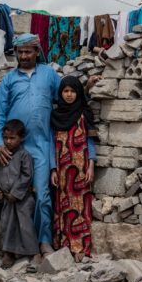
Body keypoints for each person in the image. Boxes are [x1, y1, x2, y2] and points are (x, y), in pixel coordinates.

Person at [0, 33, 100, 257]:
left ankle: (43, 242)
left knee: (42, 196)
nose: (23, 56)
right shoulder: (9, 80)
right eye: (20, 52)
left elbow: (66, 98)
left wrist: (87, 89)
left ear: (36, 52)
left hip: (42, 146)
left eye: (28, 51)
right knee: (13, 196)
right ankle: (11, 247)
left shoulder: (49, 75)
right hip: (14, 150)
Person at [50, 76, 97, 262]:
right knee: (63, 206)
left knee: (81, 207)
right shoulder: (55, 116)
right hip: (61, 170)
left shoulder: (84, 114)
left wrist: (91, 164)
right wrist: (53, 168)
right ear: (60, 93)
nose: (69, 95)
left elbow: (90, 141)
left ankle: (80, 247)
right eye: (65, 91)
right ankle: (64, 245)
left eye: (73, 91)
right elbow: (51, 144)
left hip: (81, 167)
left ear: (78, 93)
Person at [0, 119, 39, 266]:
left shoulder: (24, 155)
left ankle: (34, 253)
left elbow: (27, 175)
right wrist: (1, 191)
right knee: (7, 224)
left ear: (21, 138)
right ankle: (8, 253)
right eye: (5, 138)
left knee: (25, 225)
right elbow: (0, 174)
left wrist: (15, 193)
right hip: (8, 198)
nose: (8, 141)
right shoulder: (2, 155)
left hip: (22, 198)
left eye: (12, 138)